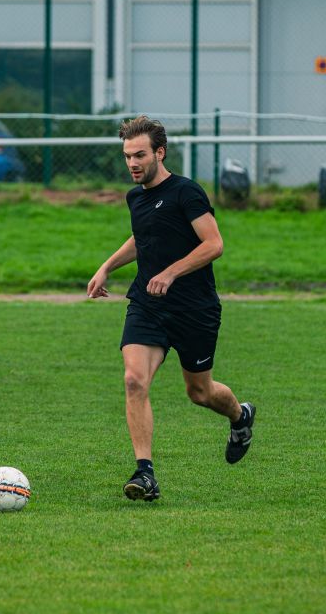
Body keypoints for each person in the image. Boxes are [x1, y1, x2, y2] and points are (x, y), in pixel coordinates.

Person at [86, 115, 255, 502]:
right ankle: (145, 474)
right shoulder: (136, 197)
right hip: (147, 303)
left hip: (195, 309)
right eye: (127, 156)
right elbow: (142, 237)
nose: (132, 163)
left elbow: (214, 244)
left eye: (140, 155)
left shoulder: (186, 193)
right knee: (134, 380)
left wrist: (172, 273)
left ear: (159, 153)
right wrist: (107, 266)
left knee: (200, 392)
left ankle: (240, 416)